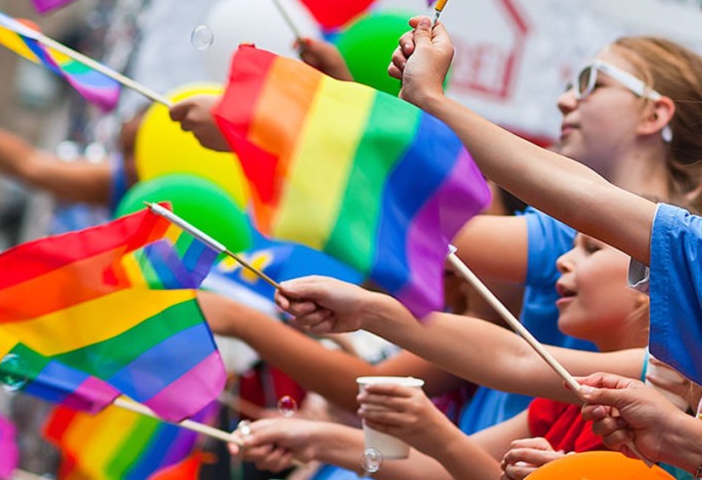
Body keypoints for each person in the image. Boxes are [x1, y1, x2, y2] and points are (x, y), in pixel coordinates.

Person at [172, 31, 702, 435]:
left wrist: (277, 129)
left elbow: (424, 220)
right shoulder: (581, 230)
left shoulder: (668, 254)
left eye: (590, 82)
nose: (566, 100)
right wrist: (343, 104)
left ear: (655, 112)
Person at [233, 230, 682, 480]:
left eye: (590, 248)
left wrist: (371, 313)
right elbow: (438, 470)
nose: (563, 261)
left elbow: (513, 361)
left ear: (652, 283)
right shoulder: (572, 394)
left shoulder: (671, 381)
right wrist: (311, 439)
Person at [0, 43, 141, 211]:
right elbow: (29, 164)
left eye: (132, 151)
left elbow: (30, 165)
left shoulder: (140, 175)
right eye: (126, 153)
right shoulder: (128, 182)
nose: (125, 164)